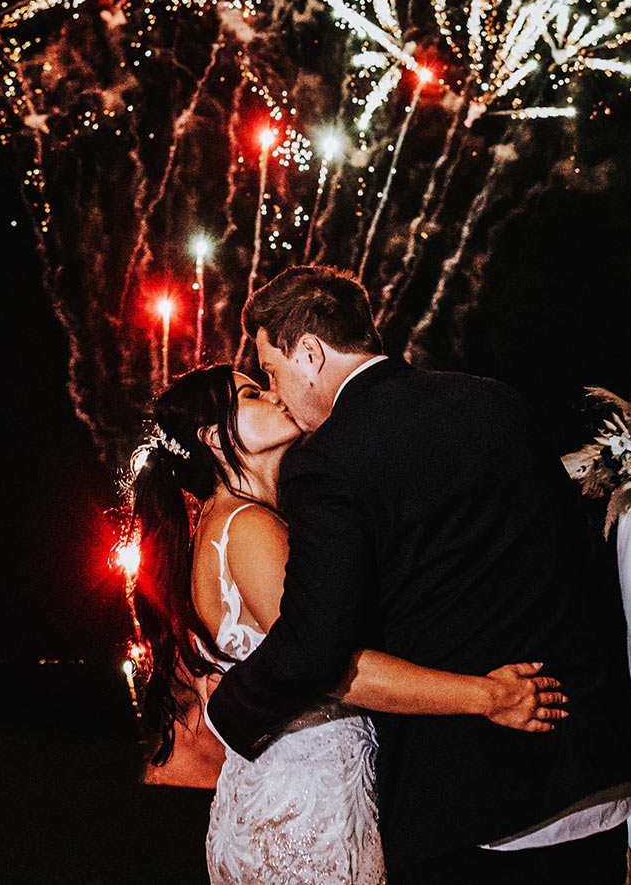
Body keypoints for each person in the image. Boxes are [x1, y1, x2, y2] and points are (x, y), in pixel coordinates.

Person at [207, 266, 631, 884]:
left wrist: (228, 709)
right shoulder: (496, 400)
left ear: (310, 353)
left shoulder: (327, 462)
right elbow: (578, 559)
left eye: (272, 370)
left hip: (482, 798)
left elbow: (315, 646)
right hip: (593, 765)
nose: (276, 390)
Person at [128, 360, 568, 885]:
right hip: (305, 814)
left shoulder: (227, 525)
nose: (273, 395)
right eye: (250, 395)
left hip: (284, 797)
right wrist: (487, 696)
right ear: (214, 440)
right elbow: (324, 665)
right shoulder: (249, 528)